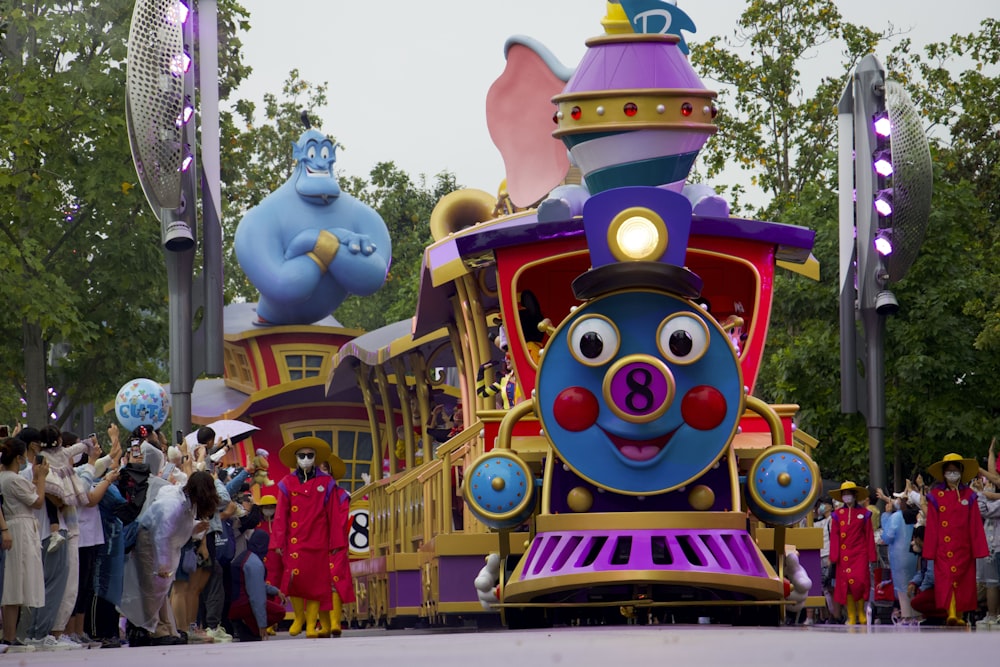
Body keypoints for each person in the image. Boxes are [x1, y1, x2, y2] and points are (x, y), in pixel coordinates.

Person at [118, 471, 219, 645]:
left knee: (161, 588)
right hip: (150, 540)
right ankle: (156, 630)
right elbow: (162, 535)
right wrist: (164, 565)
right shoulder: (174, 504)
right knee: (153, 586)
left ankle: (166, 627)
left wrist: (195, 527)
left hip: (157, 540)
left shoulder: (186, 500)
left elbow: (175, 527)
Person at [273, 436, 342, 638]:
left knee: (315, 583)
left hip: (318, 540)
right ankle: (298, 617)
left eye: (309, 455)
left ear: (315, 458)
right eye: (302, 455)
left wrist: (336, 542)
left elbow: (334, 515)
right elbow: (280, 515)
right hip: (295, 539)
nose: (305, 459)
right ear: (295, 459)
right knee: (294, 580)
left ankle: (311, 624)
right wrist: (277, 541)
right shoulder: (286, 483)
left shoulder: (327, 482)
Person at [924, 452, 989, 625]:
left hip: (964, 547)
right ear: (944, 473)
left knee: (963, 582)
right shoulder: (935, 496)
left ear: (961, 471)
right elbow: (931, 525)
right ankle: (951, 612)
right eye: (949, 470)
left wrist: (979, 548)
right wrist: (930, 550)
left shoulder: (970, 495)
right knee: (946, 580)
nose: (952, 474)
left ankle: (958, 615)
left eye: (955, 470)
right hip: (943, 548)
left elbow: (975, 523)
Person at [0, 437, 49, 652]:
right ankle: (10, 636)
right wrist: (41, 478)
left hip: (15, 526)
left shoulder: (5, 477)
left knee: (13, 582)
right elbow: (37, 501)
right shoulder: (12, 479)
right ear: (19, 458)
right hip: (19, 528)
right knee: (15, 583)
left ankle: (11, 636)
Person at [828, 480, 876, 625]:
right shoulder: (837, 515)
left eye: (849, 493)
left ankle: (861, 612)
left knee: (860, 582)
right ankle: (851, 614)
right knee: (846, 584)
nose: (846, 496)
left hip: (860, 554)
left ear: (855, 495)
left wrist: (871, 555)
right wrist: (834, 556)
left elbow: (869, 535)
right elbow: (835, 537)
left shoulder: (865, 514)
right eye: (844, 494)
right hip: (844, 555)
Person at [228, 530, 286, 641]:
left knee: (269, 596)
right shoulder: (256, 564)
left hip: (234, 603)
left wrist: (275, 591)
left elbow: (255, 584)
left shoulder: (246, 556)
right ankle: (252, 628)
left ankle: (247, 623)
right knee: (279, 612)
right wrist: (262, 624)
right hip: (241, 605)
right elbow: (257, 597)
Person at [876, 486, 918, 623]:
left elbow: (887, 536)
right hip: (914, 555)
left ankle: (906, 616)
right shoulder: (917, 515)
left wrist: (886, 515)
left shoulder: (896, 517)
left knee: (902, 587)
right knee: (914, 583)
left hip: (899, 557)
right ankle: (916, 615)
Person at [975, 473, 1000, 628]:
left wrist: (980, 494)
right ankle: (994, 614)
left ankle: (992, 615)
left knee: (993, 583)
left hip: (996, 546)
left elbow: (984, 510)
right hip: (993, 546)